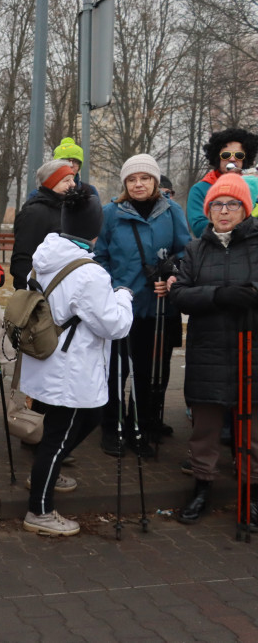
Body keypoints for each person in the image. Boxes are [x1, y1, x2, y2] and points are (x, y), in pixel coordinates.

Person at [21, 187, 133, 536]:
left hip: (51, 359)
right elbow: (113, 325)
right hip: (70, 367)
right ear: (94, 230)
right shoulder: (89, 273)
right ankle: (39, 511)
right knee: (59, 433)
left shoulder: (46, 255)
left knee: (91, 417)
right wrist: (124, 297)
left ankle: (46, 467)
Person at [169, 173, 258, 528]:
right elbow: (179, 294)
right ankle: (202, 487)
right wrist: (219, 296)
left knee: (251, 428)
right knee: (205, 427)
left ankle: (250, 493)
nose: (224, 211)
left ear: (245, 209)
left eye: (232, 204)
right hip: (208, 350)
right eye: (217, 204)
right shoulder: (195, 249)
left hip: (251, 347)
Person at [94, 154, 191, 457]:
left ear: (155, 181)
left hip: (158, 308)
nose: (138, 184)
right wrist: (113, 288)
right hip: (121, 308)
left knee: (150, 373)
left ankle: (140, 425)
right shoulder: (111, 213)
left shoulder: (172, 211)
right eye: (132, 179)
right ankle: (111, 427)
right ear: (125, 183)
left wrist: (171, 277)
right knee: (116, 372)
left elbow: (185, 252)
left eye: (145, 178)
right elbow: (101, 257)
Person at [12, 159, 77, 290]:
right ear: (51, 183)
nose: (73, 184)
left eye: (72, 179)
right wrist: (29, 294)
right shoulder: (33, 213)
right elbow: (22, 259)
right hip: (40, 293)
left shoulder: (67, 210)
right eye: (67, 180)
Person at [186, 128, 258, 237]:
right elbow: (199, 226)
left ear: (245, 159)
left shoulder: (254, 186)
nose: (232, 159)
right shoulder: (200, 189)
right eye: (225, 155)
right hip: (213, 250)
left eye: (239, 155)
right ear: (217, 158)